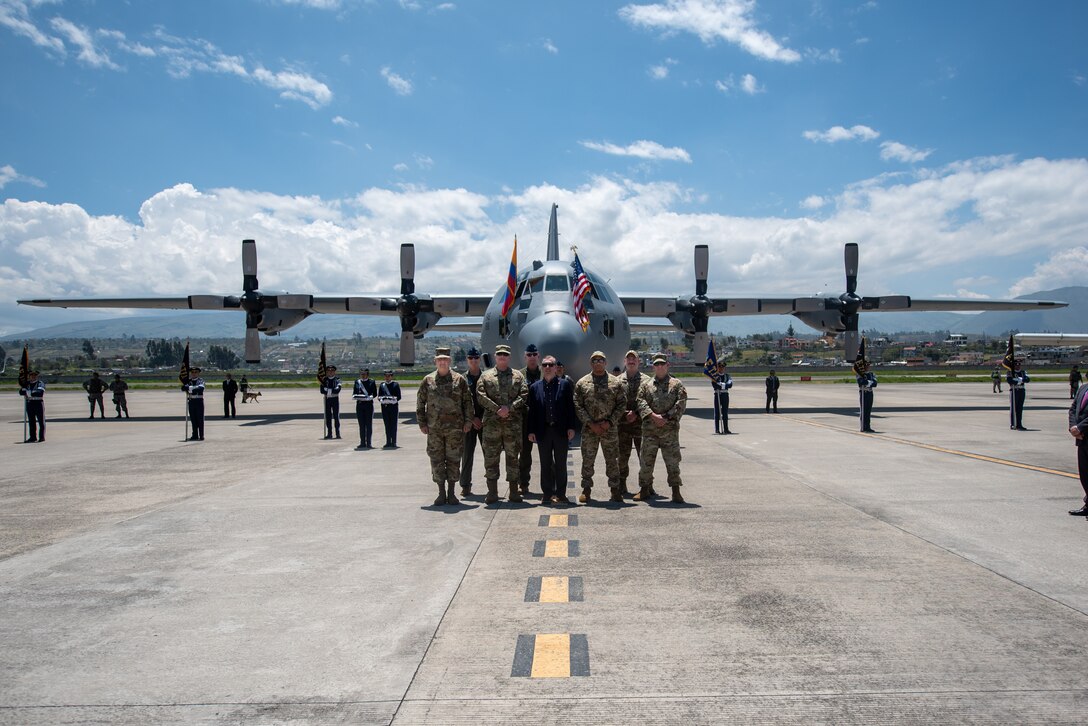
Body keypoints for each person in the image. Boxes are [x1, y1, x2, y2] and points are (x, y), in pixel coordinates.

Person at [417, 348, 474, 506]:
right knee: (437, 460)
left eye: (445, 359)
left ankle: (452, 492)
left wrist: (468, 421)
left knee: (454, 460)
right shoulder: (428, 380)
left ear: (450, 361)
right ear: (435, 361)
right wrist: (422, 423)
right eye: (439, 359)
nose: (442, 362)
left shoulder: (459, 380)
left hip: (455, 430)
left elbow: (467, 402)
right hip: (434, 429)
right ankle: (441, 492)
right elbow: (420, 403)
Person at [477, 344, 528, 504]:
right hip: (492, 426)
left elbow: (524, 394)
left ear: (509, 357)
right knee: (491, 459)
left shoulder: (518, 376)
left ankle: (514, 492)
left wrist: (509, 408)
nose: (502, 357)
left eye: (505, 355)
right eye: (499, 355)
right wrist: (497, 409)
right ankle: (492, 492)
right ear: (495, 356)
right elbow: (480, 395)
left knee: (513, 459)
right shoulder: (486, 376)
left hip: (512, 426)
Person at [574, 350, 626, 503]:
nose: (598, 362)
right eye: (594, 360)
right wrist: (590, 423)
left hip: (609, 429)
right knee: (587, 460)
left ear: (606, 363)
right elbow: (578, 405)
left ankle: (615, 490)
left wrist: (609, 422)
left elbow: (621, 404)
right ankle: (586, 490)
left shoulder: (615, 383)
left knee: (612, 460)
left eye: (600, 360)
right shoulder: (582, 383)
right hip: (590, 429)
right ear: (591, 363)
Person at [636, 354, 688, 503]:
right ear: (653, 367)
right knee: (646, 461)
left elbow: (681, 403)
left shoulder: (676, 384)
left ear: (667, 365)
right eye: (656, 364)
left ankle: (676, 491)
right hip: (650, 430)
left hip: (669, 431)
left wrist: (665, 417)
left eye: (662, 364)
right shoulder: (646, 385)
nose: (659, 367)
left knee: (672, 462)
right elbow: (640, 402)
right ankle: (644, 489)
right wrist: (653, 416)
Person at [527, 354, 577, 504]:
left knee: (561, 464)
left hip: (560, 430)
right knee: (545, 464)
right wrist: (531, 431)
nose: (547, 368)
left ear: (556, 368)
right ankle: (547, 493)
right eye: (545, 365)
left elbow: (570, 408)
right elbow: (532, 412)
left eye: (550, 365)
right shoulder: (535, 387)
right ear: (541, 367)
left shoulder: (565, 385)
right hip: (543, 432)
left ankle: (561, 493)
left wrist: (571, 427)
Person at [617, 350, 650, 497]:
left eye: (634, 358)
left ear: (639, 361)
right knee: (622, 456)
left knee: (644, 456)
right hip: (622, 426)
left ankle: (647, 485)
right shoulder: (617, 381)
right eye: (628, 358)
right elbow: (614, 403)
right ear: (624, 361)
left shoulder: (647, 381)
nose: (631, 361)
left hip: (641, 425)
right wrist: (625, 415)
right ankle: (621, 483)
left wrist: (635, 413)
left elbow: (651, 402)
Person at [459, 348, 485, 496]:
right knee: (467, 455)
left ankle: (491, 485)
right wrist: (471, 418)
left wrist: (481, 419)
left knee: (489, 455)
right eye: (471, 358)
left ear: (479, 359)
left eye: (476, 358)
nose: (473, 361)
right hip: (468, 422)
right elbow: (459, 402)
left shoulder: (486, 378)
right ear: (467, 360)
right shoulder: (462, 379)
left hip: (484, 422)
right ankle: (465, 485)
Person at [518, 343, 542, 495]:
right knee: (525, 455)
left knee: (547, 455)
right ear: (525, 357)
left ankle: (550, 485)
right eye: (529, 355)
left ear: (538, 356)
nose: (532, 358)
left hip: (542, 420)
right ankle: (523, 484)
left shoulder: (545, 372)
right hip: (524, 421)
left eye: (534, 355)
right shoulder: (519, 375)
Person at [1067, 380, 1088, 516]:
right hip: (1082, 438)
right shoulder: (1083, 388)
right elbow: (1073, 409)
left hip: (1083, 432)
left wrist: (1080, 427)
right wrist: (1073, 427)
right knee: (1085, 474)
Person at [352, 367, 378, 449]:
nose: (363, 375)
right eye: (361, 374)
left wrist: (370, 397)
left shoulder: (371, 382)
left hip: (368, 405)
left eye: (364, 374)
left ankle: (369, 443)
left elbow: (374, 393)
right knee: (361, 425)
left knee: (368, 424)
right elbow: (354, 392)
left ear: (367, 374)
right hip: (360, 405)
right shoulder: (357, 382)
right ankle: (362, 442)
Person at [20, 370, 45, 443]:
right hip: (30, 403)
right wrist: (25, 391)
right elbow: (21, 392)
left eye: (35, 375)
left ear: (37, 376)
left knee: (41, 421)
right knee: (31, 421)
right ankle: (33, 437)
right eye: (31, 375)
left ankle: (41, 437)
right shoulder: (26, 384)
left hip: (38, 403)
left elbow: (40, 392)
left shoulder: (40, 383)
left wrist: (29, 392)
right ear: (29, 376)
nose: (33, 377)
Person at [378, 370, 402, 448]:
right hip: (385, 407)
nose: (387, 377)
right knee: (387, 424)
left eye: (389, 376)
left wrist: (393, 400)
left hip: (393, 407)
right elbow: (379, 396)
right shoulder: (382, 385)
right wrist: (382, 400)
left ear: (391, 376)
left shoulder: (395, 384)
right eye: (386, 376)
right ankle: (388, 441)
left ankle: (394, 442)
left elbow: (399, 396)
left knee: (393, 424)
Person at [183, 366, 206, 441]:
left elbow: (201, 388)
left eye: (195, 372)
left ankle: (201, 435)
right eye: (192, 372)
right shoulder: (188, 381)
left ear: (198, 373)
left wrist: (190, 388)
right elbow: (183, 388)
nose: (194, 374)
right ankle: (195, 434)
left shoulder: (201, 380)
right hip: (191, 401)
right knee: (193, 419)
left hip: (199, 401)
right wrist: (192, 388)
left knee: (200, 419)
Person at [710, 361, 733, 434]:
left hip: (725, 395)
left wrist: (721, 385)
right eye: (720, 367)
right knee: (717, 412)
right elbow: (715, 385)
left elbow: (730, 385)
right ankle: (717, 429)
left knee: (725, 413)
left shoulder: (727, 376)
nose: (721, 368)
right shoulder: (715, 377)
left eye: (723, 367)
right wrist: (723, 385)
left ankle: (726, 428)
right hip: (717, 395)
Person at [320, 365, 342, 439]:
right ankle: (329, 433)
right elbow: (322, 390)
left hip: (335, 399)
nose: (330, 372)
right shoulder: (324, 380)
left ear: (334, 372)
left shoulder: (337, 380)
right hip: (327, 399)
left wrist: (328, 390)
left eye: (332, 371)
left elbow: (338, 390)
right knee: (328, 417)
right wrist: (331, 390)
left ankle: (337, 433)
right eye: (328, 371)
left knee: (336, 416)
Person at [1007, 360, 1030, 431]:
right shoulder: (1010, 372)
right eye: (1016, 365)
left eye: (1019, 365)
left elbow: (1027, 379)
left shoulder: (1023, 372)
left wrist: (1018, 380)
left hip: (1021, 391)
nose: (1018, 366)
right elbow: (1010, 381)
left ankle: (1019, 424)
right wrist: (1020, 381)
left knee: (1020, 409)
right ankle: (1013, 424)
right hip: (1014, 391)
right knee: (1013, 408)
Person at [856, 363, 877, 433]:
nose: (867, 367)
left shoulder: (871, 374)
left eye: (868, 366)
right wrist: (869, 382)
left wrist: (867, 382)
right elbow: (860, 382)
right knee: (863, 410)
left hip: (870, 393)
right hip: (863, 393)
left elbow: (875, 383)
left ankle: (868, 426)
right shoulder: (860, 374)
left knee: (868, 411)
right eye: (866, 366)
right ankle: (863, 426)